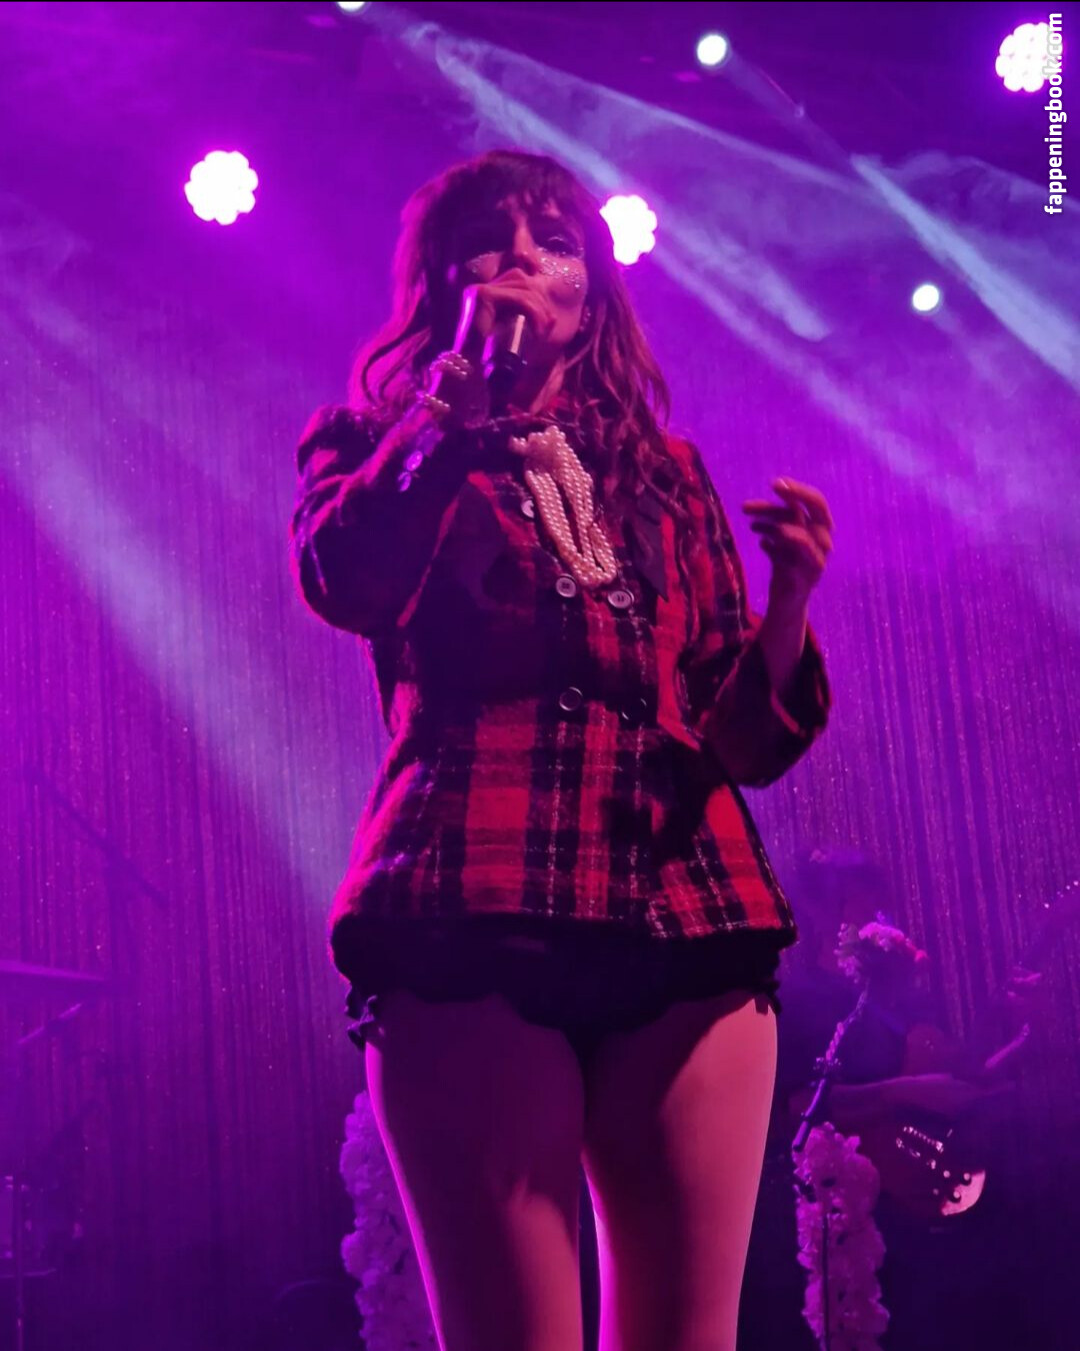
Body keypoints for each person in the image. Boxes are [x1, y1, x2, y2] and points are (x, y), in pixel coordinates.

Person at [288, 149, 833, 1351]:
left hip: (688, 907)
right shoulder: (371, 443)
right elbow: (347, 580)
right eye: (495, 239)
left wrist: (790, 605)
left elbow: (742, 736)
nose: (528, 258)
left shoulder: (665, 476)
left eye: (558, 242)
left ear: (592, 299)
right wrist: (454, 407)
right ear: (445, 282)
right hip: (473, 899)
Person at [740, 849, 1044, 1351]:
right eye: (868, 903)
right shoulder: (798, 999)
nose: (882, 916)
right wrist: (905, 1092)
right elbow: (797, 1107)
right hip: (855, 1219)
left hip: (931, 1203)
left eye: (882, 904)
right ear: (828, 913)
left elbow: (962, 1078)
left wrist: (1018, 1031)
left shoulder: (904, 996)